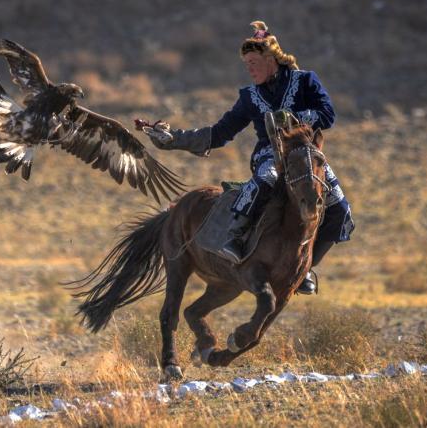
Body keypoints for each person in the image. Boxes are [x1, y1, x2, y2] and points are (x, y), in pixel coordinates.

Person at [147, 21, 354, 294]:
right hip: (270, 154)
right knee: (264, 181)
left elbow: (328, 114)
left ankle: (305, 268)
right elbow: (219, 133)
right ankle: (234, 240)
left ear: (271, 59)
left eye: (254, 61)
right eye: (246, 63)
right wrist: (174, 139)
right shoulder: (249, 97)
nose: (250, 68)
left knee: (340, 209)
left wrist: (296, 118)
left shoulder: (305, 81)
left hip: (306, 156)